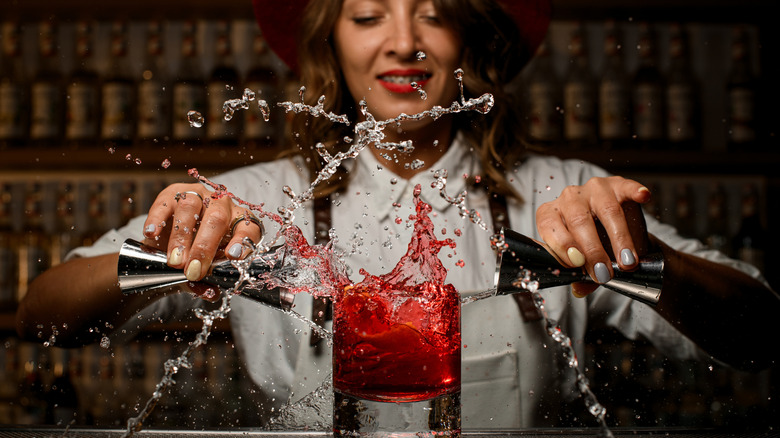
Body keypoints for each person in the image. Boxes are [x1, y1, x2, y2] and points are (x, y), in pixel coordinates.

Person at [17, 0, 779, 429]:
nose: (404, 44)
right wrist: (171, 247)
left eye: (435, 14)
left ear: (469, 40)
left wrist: (642, 257)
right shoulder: (249, 202)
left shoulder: (565, 191)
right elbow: (42, 315)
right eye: (369, 15)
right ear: (331, 45)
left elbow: (761, 339)